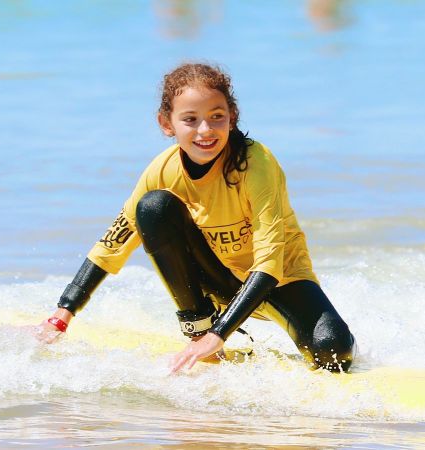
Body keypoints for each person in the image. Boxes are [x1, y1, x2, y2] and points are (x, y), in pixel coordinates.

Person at [35, 63, 356, 374]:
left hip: (282, 280)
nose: (205, 130)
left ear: (232, 117)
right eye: (190, 119)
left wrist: (220, 334)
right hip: (221, 280)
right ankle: (197, 329)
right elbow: (114, 242)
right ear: (167, 123)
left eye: (216, 117)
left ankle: (215, 334)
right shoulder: (163, 170)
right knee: (153, 207)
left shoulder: (257, 164)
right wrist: (62, 315)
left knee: (333, 352)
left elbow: (270, 262)